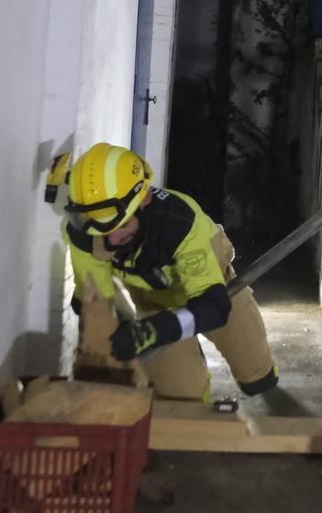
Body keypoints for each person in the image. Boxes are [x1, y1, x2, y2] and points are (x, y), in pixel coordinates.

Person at [47, 143, 278, 401]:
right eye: (94, 224)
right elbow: (96, 301)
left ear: (144, 199)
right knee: (179, 399)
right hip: (155, 305)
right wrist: (99, 342)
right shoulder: (85, 235)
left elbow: (214, 308)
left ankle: (257, 373)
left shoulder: (181, 224)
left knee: (258, 378)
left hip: (215, 290)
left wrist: (155, 331)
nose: (108, 239)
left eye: (117, 224)